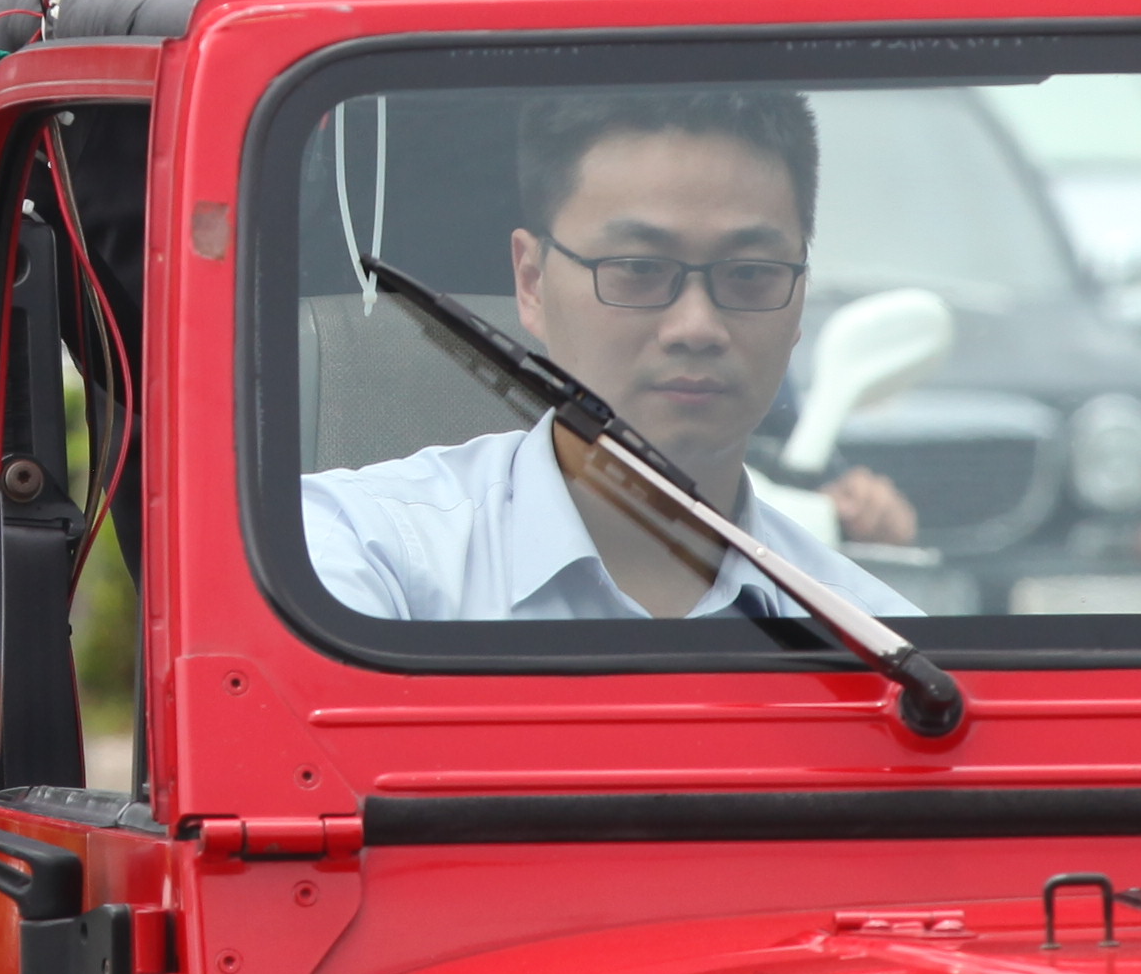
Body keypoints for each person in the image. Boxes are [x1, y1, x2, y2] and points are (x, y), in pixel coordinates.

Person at [300, 88, 919, 622]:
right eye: (639, 269)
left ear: (800, 299)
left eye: (750, 274)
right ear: (532, 281)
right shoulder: (363, 559)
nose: (697, 326)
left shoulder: (877, 640)